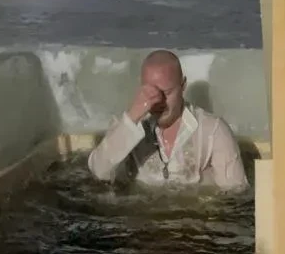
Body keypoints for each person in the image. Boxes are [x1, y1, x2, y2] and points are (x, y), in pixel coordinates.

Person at [88, 49, 248, 190]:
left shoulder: (213, 131)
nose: (159, 101)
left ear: (183, 85)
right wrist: (133, 116)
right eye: (151, 93)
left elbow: (234, 194)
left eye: (167, 93)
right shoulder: (127, 125)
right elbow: (99, 171)